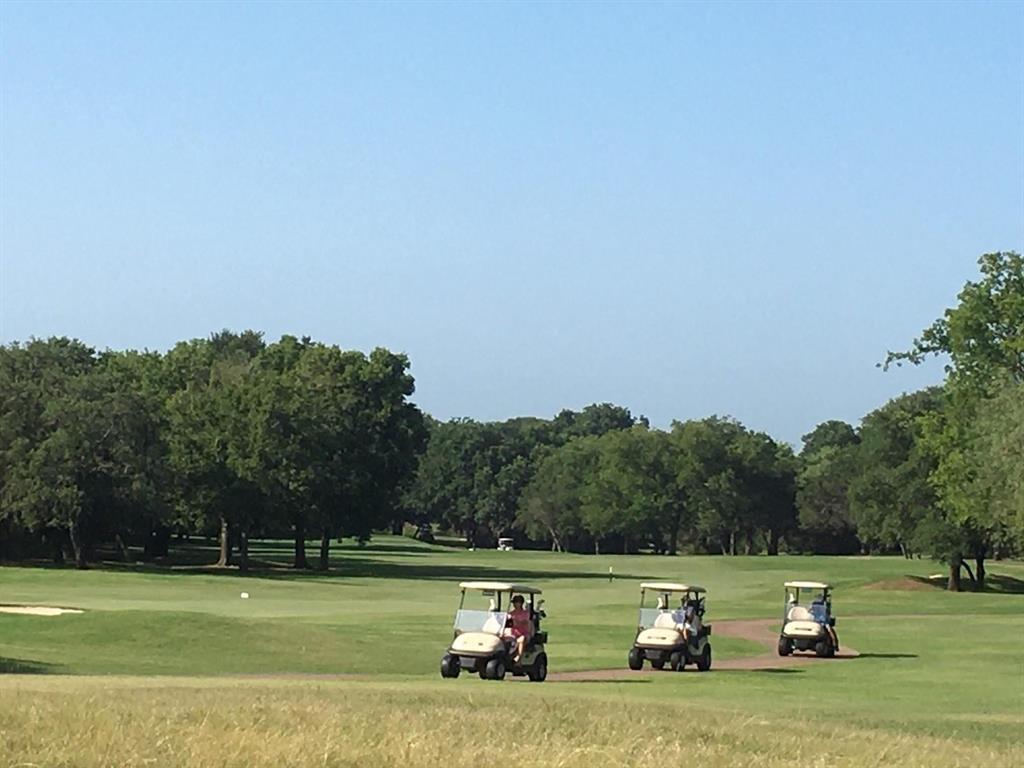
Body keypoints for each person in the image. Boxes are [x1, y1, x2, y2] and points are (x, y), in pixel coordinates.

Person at [505, 594, 533, 663]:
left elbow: (524, 622)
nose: (514, 604)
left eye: (516, 602)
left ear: (521, 603)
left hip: (524, 634)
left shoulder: (525, 613)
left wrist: (516, 622)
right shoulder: (511, 613)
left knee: (521, 640)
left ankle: (519, 660)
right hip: (513, 634)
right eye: (514, 602)